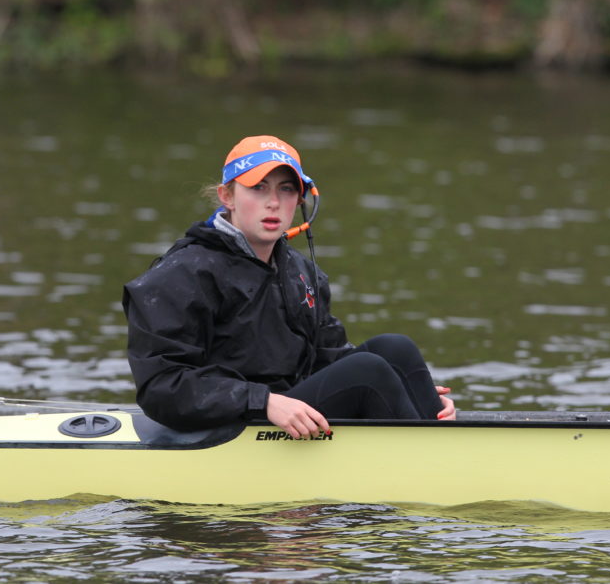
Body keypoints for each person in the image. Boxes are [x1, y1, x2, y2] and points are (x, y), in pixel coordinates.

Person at [122, 135, 455, 438]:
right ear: (227, 197)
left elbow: (328, 360)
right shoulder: (180, 275)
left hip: (288, 415)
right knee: (367, 371)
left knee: (395, 350)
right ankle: (432, 461)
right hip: (231, 426)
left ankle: (438, 434)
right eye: (258, 188)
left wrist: (405, 391)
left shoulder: (301, 272)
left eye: (286, 189)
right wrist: (264, 401)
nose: (273, 202)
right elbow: (161, 388)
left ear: (299, 200)